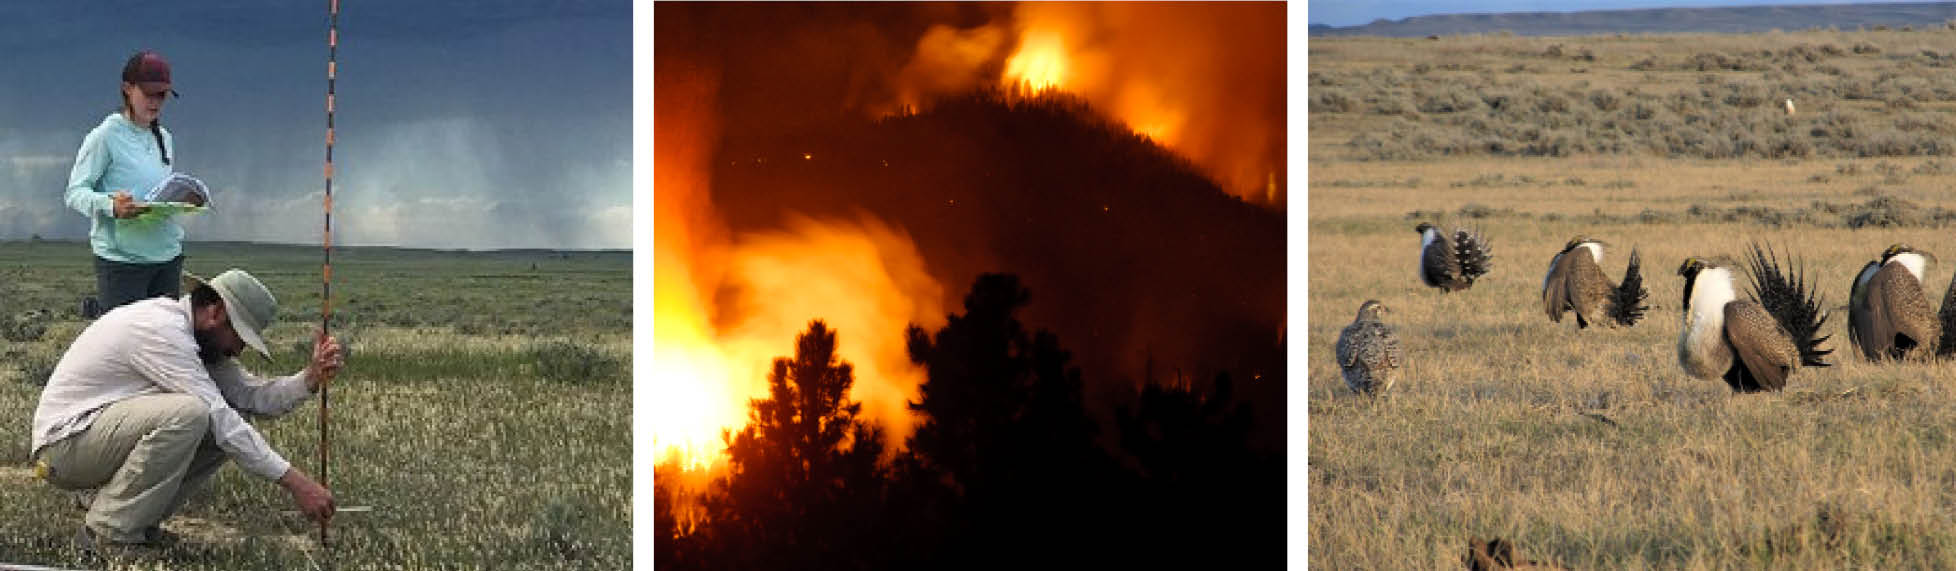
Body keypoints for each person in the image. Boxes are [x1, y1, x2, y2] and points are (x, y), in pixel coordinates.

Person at [29, 269, 343, 555]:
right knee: (192, 414)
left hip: (91, 440)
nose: (238, 351)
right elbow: (219, 417)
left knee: (218, 418)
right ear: (217, 312)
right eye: (240, 337)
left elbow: (250, 398)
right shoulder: (161, 330)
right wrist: (298, 484)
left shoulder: (196, 339)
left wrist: (310, 378)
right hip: (63, 447)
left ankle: (137, 523)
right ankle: (110, 534)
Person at [64, 50, 209, 318]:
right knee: (125, 351)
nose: (155, 101)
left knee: (163, 343)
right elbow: (74, 193)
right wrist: (110, 206)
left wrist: (183, 202)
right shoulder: (105, 136)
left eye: (162, 95)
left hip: (167, 258)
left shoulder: (165, 138)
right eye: (149, 93)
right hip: (122, 264)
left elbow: (157, 192)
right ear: (127, 89)